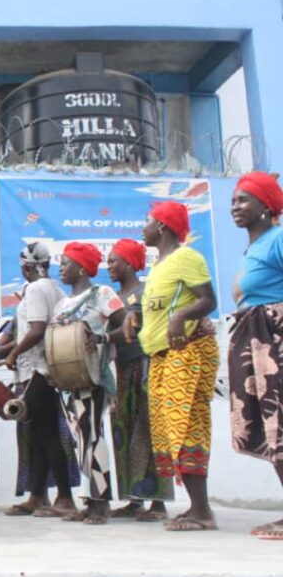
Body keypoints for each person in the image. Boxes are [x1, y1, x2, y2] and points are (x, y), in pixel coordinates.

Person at [140, 200, 219, 532]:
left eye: (146, 221)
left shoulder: (187, 257)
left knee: (185, 426)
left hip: (185, 353)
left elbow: (209, 300)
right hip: (161, 356)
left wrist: (181, 316)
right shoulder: (158, 266)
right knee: (169, 432)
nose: (141, 228)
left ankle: (202, 511)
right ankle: (195, 507)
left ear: (161, 226)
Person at [51, 242, 125, 525]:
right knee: (81, 440)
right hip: (68, 382)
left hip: (93, 377)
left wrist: (102, 339)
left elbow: (126, 322)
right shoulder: (61, 304)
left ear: (82, 268)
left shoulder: (102, 294)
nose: (61, 268)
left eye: (66, 263)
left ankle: (101, 503)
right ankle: (90, 499)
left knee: (93, 437)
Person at [226, 172, 283, 539]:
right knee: (269, 427)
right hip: (255, 340)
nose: (235, 207)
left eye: (244, 200)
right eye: (233, 200)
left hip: (273, 339)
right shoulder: (256, 246)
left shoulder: (278, 238)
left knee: (280, 421)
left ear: (266, 206)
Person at [3, 242, 76, 518]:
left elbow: (36, 330)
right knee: (38, 435)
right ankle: (36, 496)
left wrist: (13, 353)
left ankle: (65, 498)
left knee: (46, 435)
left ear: (26, 267)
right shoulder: (56, 289)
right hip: (48, 370)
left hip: (37, 371)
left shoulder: (34, 289)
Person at [107, 238, 173, 521]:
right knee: (123, 432)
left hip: (145, 367)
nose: (108, 265)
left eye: (113, 260)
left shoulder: (146, 292)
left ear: (130, 263)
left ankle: (157, 502)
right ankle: (134, 499)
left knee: (148, 432)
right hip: (121, 370)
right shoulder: (111, 297)